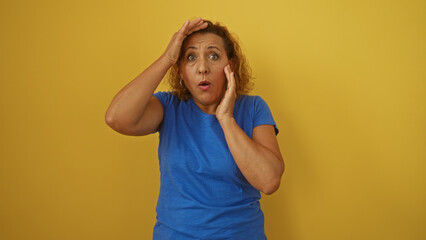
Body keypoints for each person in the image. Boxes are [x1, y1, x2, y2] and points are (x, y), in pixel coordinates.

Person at [105, 17, 285, 240]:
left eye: (213, 56)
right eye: (191, 58)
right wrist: (167, 58)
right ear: (180, 72)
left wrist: (226, 119)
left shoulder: (253, 107)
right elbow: (116, 118)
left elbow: (269, 181)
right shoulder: (169, 106)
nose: (202, 68)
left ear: (231, 66)